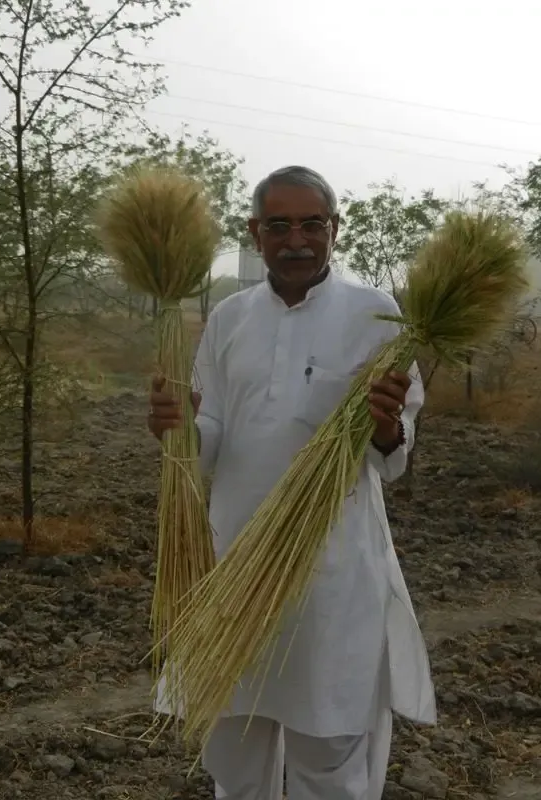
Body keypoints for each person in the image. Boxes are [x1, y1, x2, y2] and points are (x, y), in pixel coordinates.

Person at [148, 165, 436, 800]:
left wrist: (387, 423)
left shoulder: (377, 314)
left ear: (335, 230)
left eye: (312, 224)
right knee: (232, 743)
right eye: (278, 225)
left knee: (328, 748)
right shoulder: (228, 318)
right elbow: (213, 431)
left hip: (330, 564)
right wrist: (181, 431)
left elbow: (395, 448)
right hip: (232, 553)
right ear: (255, 234)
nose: (296, 239)